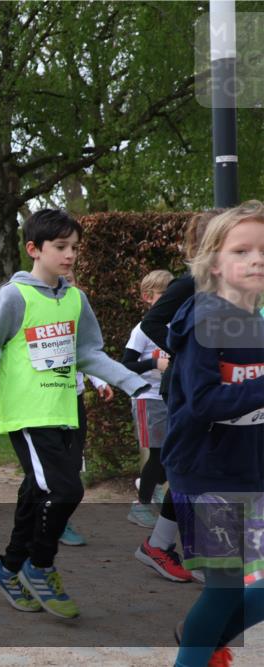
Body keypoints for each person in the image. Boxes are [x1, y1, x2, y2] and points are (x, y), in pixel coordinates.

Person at [0, 209, 149, 619]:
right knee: (66, 491)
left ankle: (8, 568)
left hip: (66, 409)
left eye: (75, 248)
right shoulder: (14, 296)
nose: (70, 255)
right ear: (34, 249)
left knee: (36, 492)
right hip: (28, 414)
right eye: (61, 247)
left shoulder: (75, 298)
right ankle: (40, 565)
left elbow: (87, 352)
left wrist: (131, 382)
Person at [161, 202, 264, 667]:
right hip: (202, 471)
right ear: (214, 262)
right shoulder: (205, 319)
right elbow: (202, 402)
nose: (257, 259)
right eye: (242, 250)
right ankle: (196, 652)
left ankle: (200, 640)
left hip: (247, 468)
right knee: (224, 587)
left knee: (247, 589)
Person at [134, 210, 219, 584]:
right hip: (183, 391)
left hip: (215, 388)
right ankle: (194, 553)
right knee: (193, 470)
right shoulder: (188, 285)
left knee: (199, 470)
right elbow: (153, 322)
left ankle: (159, 544)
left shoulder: (227, 286)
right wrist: (181, 349)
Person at [122, 269, 173, 528]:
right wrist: (154, 362)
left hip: (172, 398)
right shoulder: (142, 330)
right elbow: (126, 364)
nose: (169, 301)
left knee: (172, 453)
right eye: (164, 295)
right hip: (147, 397)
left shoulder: (177, 326)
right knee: (157, 453)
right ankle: (140, 506)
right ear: (147, 297)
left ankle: (148, 483)